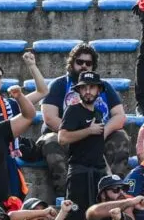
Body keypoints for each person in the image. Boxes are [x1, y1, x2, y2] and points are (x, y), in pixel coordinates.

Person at [36, 44, 130, 202]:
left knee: (121, 136)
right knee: (51, 140)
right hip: (66, 139)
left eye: (88, 63)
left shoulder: (104, 87)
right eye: (79, 62)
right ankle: (66, 195)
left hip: (97, 135)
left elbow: (119, 116)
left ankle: (112, 190)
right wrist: (81, 135)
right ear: (72, 63)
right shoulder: (59, 85)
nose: (84, 66)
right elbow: (49, 118)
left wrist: (100, 134)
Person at [0, 58, 42, 202]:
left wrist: (32, 65)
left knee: (13, 204)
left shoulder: (11, 104)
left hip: (8, 162)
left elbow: (42, 91)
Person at [59, 72, 118, 220]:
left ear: (99, 90)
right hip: (79, 174)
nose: (87, 91)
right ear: (78, 90)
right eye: (84, 88)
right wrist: (89, 131)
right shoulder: (73, 110)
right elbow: (62, 138)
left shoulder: (98, 113)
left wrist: (108, 174)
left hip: (98, 175)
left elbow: (97, 149)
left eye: (92, 87)